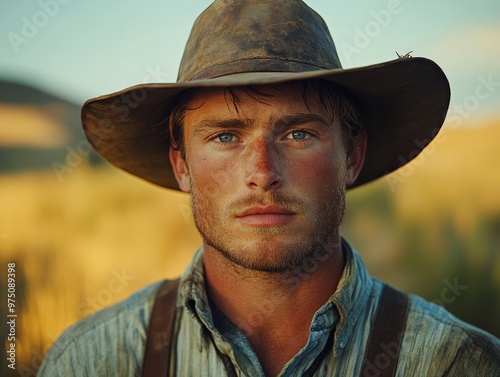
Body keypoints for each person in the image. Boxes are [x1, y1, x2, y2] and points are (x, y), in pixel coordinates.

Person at [38, 0, 499, 376]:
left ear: (351, 157)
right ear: (182, 166)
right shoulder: (92, 360)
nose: (262, 172)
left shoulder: (458, 362)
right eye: (225, 137)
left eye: (298, 134)